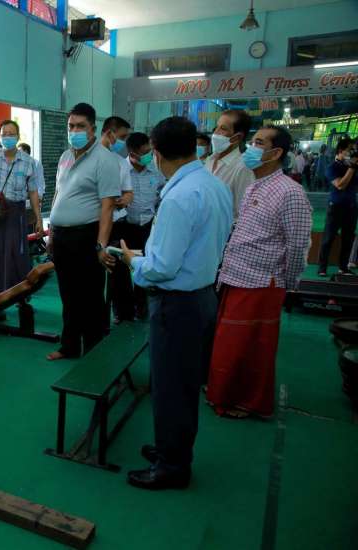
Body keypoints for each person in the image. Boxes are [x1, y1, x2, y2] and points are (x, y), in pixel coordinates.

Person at [120, 116, 232, 490]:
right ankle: (171, 447)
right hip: (202, 295)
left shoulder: (180, 197)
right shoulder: (213, 185)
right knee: (183, 384)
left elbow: (163, 267)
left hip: (177, 304)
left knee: (171, 386)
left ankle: (172, 466)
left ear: (156, 151)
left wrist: (133, 262)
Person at [207, 126, 312, 419]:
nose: (250, 148)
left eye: (258, 143)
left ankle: (247, 402)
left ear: (276, 153)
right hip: (236, 275)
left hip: (261, 282)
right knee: (229, 343)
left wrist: (288, 283)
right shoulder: (255, 185)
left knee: (249, 348)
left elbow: (297, 244)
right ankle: (223, 394)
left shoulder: (290, 192)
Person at [46, 103, 120, 360]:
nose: (74, 131)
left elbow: (108, 206)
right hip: (61, 236)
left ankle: (93, 352)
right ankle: (69, 346)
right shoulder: (65, 157)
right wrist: (52, 233)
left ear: (92, 129)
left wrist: (101, 246)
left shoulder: (105, 160)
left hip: (86, 237)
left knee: (90, 298)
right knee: (68, 295)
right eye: (71, 126)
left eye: (80, 126)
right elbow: (58, 195)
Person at [0, 120, 43, 296]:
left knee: (17, 254)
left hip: (16, 214)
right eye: (4, 134)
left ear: (18, 136)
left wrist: (38, 219)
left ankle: (19, 294)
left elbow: (33, 192)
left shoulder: (28, 161)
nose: (7, 137)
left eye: (11, 134)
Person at [113, 132, 165, 321]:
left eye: (150, 151)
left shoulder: (156, 170)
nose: (149, 155)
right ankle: (122, 311)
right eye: (145, 152)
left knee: (146, 265)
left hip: (148, 227)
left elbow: (162, 192)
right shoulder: (119, 169)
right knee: (120, 269)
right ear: (132, 154)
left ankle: (142, 307)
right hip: (124, 226)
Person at [100, 116, 135, 324]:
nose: (123, 142)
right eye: (122, 137)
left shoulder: (121, 163)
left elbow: (129, 192)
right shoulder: (89, 158)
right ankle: (98, 315)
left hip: (117, 222)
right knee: (97, 269)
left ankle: (123, 312)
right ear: (109, 133)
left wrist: (125, 199)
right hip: (95, 222)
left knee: (118, 268)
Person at [317, 138, 358, 276]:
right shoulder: (332, 167)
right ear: (341, 150)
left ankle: (343, 267)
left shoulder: (352, 166)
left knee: (348, 239)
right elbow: (340, 185)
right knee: (328, 238)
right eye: (350, 149)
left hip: (351, 207)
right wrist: (352, 168)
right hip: (336, 207)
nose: (353, 152)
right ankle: (322, 267)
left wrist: (353, 166)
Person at [205, 109, 255, 221]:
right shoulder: (209, 160)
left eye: (223, 129)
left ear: (237, 137)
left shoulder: (243, 168)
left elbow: (245, 213)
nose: (215, 133)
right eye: (216, 127)